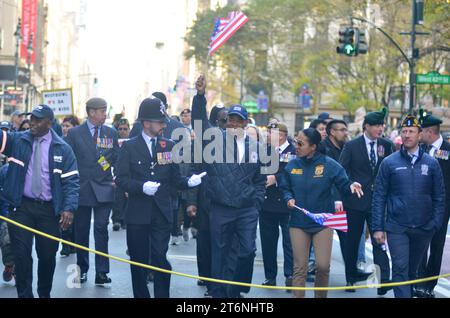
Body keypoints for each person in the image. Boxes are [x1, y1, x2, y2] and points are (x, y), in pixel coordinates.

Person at [115, 97, 204, 298]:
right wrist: (140, 187)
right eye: (159, 121)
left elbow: (175, 178)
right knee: (138, 262)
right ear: (147, 123)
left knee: (159, 258)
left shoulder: (168, 145)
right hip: (138, 213)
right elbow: (120, 179)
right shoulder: (129, 146)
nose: (164, 124)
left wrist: (189, 182)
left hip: (161, 213)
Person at [192, 75, 266, 298]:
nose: (233, 123)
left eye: (238, 120)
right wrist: (200, 96)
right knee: (220, 252)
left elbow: (260, 179)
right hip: (221, 207)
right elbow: (199, 121)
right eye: (230, 120)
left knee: (247, 251)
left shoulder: (255, 146)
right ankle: (219, 292)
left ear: (245, 123)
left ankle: (235, 289)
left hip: (246, 209)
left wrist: (257, 201)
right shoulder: (214, 139)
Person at [0, 104, 79, 298]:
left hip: (49, 211)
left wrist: (68, 208)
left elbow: (72, 182)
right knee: (21, 256)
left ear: (49, 123)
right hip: (21, 207)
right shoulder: (18, 141)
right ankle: (25, 295)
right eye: (31, 118)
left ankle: (44, 293)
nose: (32, 122)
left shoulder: (63, 149)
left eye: (37, 119)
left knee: (47, 256)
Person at [279, 128, 363, 298]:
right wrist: (288, 198)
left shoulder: (329, 164)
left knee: (323, 266)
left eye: (301, 143)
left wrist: (352, 186)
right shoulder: (292, 165)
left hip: (323, 222)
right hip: (298, 222)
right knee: (300, 267)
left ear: (313, 147)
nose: (297, 146)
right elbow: (285, 187)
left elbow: (344, 184)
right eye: (296, 141)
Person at [372, 114, 445, 298]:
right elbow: (379, 196)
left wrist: (435, 223)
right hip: (397, 226)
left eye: (411, 131)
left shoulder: (432, 163)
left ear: (420, 135)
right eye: (404, 131)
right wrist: (378, 227)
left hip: (423, 227)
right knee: (400, 269)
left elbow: (439, 196)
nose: (406, 135)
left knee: (412, 272)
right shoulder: (389, 163)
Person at [65, 97, 119, 286]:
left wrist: (115, 178)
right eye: (103, 111)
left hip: (104, 187)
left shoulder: (111, 133)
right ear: (91, 113)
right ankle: (82, 269)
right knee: (81, 230)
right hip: (82, 188)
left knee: (101, 229)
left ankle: (102, 272)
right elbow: (68, 160)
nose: (105, 114)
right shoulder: (74, 133)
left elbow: (115, 159)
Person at [339, 109, 393, 294]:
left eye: (382, 125)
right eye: (377, 125)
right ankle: (350, 279)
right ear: (366, 127)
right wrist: (350, 183)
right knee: (352, 242)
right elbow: (341, 171)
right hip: (355, 201)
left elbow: (390, 170)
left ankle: (383, 280)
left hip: (378, 201)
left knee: (379, 239)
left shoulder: (386, 145)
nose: (380, 128)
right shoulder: (352, 146)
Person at [416, 114, 450, 298]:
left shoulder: (448, 150)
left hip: (441, 208)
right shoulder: (420, 149)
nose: (419, 135)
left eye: (421, 131)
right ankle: (418, 282)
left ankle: (429, 285)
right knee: (420, 244)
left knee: (436, 245)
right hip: (420, 206)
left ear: (430, 132)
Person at [260, 122, 295, 288]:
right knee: (268, 242)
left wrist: (276, 178)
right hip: (266, 203)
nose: (266, 135)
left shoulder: (293, 151)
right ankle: (270, 276)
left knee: (289, 242)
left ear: (280, 135)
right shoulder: (264, 151)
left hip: (287, 202)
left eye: (269, 132)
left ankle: (290, 275)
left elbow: (292, 172)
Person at [60, 115, 81, 256]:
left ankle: (73, 242)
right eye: (64, 125)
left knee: (75, 214)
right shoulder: (59, 142)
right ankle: (65, 243)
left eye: (68, 126)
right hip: (62, 182)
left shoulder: (80, 141)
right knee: (63, 213)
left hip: (78, 182)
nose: (65, 128)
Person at [112, 118, 130, 231]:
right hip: (115, 174)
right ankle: (116, 220)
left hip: (129, 175)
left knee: (128, 198)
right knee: (117, 198)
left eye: (125, 129)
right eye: (120, 129)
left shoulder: (133, 143)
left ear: (129, 130)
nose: (122, 131)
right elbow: (102, 157)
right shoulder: (113, 142)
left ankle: (125, 220)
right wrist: (108, 172)